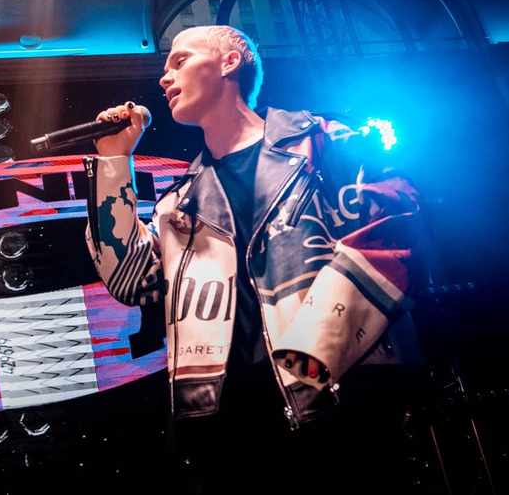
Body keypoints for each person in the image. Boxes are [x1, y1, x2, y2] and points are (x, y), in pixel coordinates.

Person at [83, 25, 430, 493]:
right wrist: (112, 162)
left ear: (229, 62)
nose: (164, 77)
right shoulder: (181, 202)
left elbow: (398, 220)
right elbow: (129, 278)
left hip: (340, 402)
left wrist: (316, 348)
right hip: (228, 423)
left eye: (180, 60)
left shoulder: (321, 142)